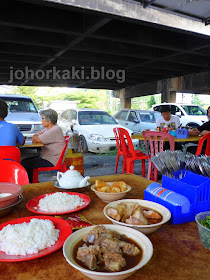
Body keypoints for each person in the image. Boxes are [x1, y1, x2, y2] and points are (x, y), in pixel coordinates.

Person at [21, 109, 65, 183]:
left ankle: (32, 184)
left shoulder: (55, 130)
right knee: (25, 161)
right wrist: (36, 137)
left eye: (43, 118)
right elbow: (35, 136)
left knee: (25, 163)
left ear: (49, 121)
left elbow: (37, 139)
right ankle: (33, 182)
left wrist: (37, 138)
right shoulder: (48, 129)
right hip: (46, 157)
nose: (41, 120)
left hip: (52, 160)